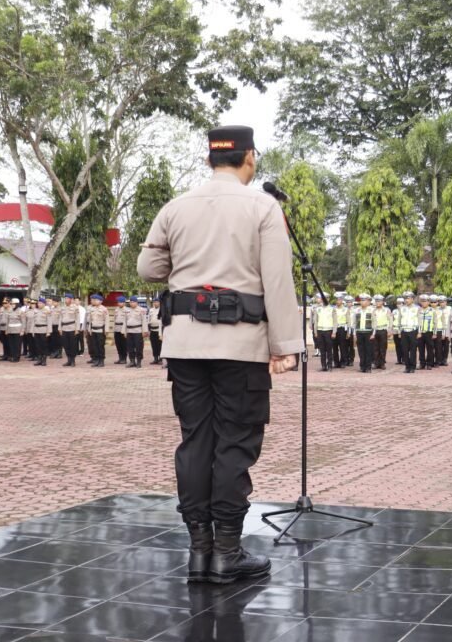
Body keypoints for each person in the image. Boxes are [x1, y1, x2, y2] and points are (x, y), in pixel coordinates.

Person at [137, 124, 302, 587]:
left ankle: (199, 552)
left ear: (210, 159)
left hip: (185, 345)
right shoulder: (263, 206)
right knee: (234, 443)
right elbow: (277, 279)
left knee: (196, 442)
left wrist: (188, 266)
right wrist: (284, 346)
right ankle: (227, 553)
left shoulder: (176, 207)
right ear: (249, 158)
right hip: (241, 345)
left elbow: (149, 268)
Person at [353, 294, 376, 373]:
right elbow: (354, 323)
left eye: (364, 300)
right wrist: (354, 334)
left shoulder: (372, 310)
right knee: (361, 350)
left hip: (368, 332)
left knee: (368, 350)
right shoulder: (356, 310)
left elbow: (374, 322)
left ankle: (368, 367)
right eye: (361, 300)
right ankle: (362, 366)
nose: (362, 302)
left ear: (368, 302)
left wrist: (373, 333)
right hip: (359, 332)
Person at [398, 292, 420, 373]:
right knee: (405, 349)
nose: (406, 300)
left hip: (413, 330)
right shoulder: (402, 308)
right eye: (405, 298)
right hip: (404, 331)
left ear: (412, 299)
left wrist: (419, 332)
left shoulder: (417, 308)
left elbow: (419, 321)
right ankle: (407, 366)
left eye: (408, 298)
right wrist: (399, 331)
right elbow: (399, 320)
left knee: (413, 349)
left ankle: (412, 367)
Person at [125, 297, 149, 368]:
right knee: (130, 347)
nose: (132, 303)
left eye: (133, 302)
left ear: (136, 302)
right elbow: (125, 322)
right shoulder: (127, 310)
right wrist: (124, 331)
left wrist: (145, 331)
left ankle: (139, 361)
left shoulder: (141, 310)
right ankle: (132, 361)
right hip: (129, 331)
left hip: (138, 331)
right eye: (130, 302)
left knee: (139, 347)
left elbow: (144, 321)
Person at [314, 295, 336, 371]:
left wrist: (334, 332)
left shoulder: (332, 309)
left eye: (326, 298)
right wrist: (315, 331)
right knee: (322, 349)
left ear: (328, 299)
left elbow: (335, 321)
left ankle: (329, 365)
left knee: (329, 349)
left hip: (329, 331)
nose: (324, 300)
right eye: (323, 298)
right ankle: (323, 365)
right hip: (320, 331)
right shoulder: (318, 309)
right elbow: (315, 321)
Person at [85, 294, 108, 367]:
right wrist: (89, 330)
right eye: (94, 300)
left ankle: (101, 360)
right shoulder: (92, 309)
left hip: (100, 330)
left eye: (96, 300)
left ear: (101, 301)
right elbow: (90, 321)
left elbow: (107, 320)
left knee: (100, 346)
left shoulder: (104, 309)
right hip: (93, 330)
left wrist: (106, 330)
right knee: (94, 346)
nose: (95, 301)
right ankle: (96, 360)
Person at [59, 293, 80, 367]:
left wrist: (77, 329)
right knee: (66, 345)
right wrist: (60, 328)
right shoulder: (62, 308)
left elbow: (77, 319)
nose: (66, 300)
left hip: (72, 328)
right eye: (65, 298)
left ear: (71, 300)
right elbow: (60, 319)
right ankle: (68, 360)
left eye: (67, 298)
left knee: (73, 345)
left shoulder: (75, 308)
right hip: (64, 328)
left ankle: (73, 360)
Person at [417, 294, 437, 369]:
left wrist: (434, 333)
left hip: (429, 332)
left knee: (430, 349)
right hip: (420, 332)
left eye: (425, 301)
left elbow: (435, 322)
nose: (423, 303)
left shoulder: (432, 311)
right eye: (422, 301)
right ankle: (422, 363)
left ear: (428, 302)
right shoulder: (418, 310)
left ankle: (429, 364)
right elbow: (417, 322)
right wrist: (418, 332)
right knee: (421, 349)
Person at [31, 297, 51, 366]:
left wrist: (48, 331)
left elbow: (49, 322)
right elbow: (33, 321)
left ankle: (44, 360)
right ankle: (39, 359)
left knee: (44, 346)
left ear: (44, 304)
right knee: (38, 346)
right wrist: (32, 331)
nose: (39, 304)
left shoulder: (47, 311)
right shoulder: (35, 311)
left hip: (43, 330)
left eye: (40, 303)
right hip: (36, 330)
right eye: (38, 303)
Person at [372, 295, 390, 370]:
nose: (377, 303)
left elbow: (389, 320)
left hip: (383, 330)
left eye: (379, 301)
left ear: (382, 302)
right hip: (375, 330)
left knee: (383, 347)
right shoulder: (373, 310)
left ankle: (382, 363)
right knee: (375, 348)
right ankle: (376, 363)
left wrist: (389, 330)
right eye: (376, 301)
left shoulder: (386, 310)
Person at [4, 298, 25, 363]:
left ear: (17, 304)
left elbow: (23, 322)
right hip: (10, 330)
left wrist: (22, 331)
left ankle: (17, 357)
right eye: (11, 304)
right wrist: (6, 329)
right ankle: (13, 356)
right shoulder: (9, 311)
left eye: (13, 304)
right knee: (11, 344)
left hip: (17, 330)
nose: (12, 305)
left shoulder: (20, 311)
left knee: (17, 344)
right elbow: (7, 321)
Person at [113, 297, 129, 365]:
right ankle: (120, 358)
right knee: (118, 344)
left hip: (123, 328)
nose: (119, 303)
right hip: (117, 328)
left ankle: (124, 359)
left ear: (124, 303)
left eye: (121, 302)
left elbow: (127, 321)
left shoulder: (127, 310)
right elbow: (114, 320)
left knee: (124, 344)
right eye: (118, 302)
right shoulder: (116, 310)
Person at [149, 297, 164, 364]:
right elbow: (149, 319)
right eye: (154, 302)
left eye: (157, 302)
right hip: (152, 329)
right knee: (153, 345)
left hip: (159, 330)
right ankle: (155, 358)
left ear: (159, 303)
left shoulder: (162, 310)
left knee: (160, 345)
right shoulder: (151, 310)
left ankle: (161, 359)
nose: (155, 303)